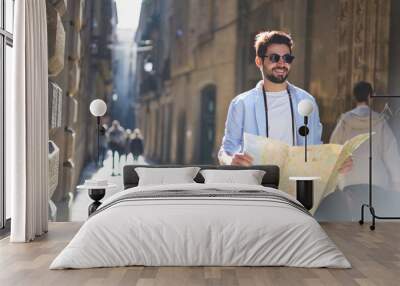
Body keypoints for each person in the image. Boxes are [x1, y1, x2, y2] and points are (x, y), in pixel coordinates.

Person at [218, 30, 352, 172]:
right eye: (274, 58)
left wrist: (335, 163)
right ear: (259, 61)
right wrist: (231, 160)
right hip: (257, 188)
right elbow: (226, 151)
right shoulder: (241, 104)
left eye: (287, 58)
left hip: (295, 188)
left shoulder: (307, 101)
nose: (282, 64)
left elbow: (314, 151)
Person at [330, 81, 400, 191]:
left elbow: (333, 149)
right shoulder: (380, 121)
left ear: (355, 97)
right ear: (369, 96)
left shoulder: (344, 121)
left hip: (349, 181)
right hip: (376, 181)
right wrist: (397, 180)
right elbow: (390, 150)